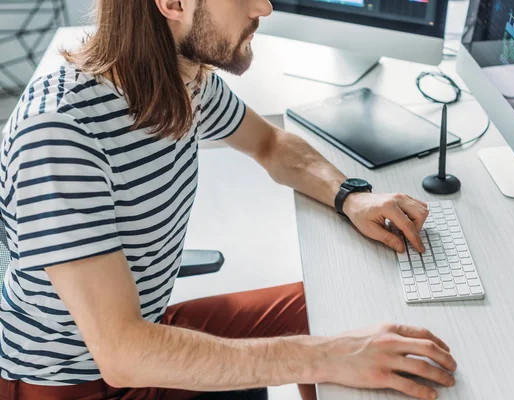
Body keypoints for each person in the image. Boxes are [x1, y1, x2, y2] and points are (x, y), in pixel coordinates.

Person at [0, 1, 457, 399]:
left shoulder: (179, 78)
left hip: (145, 334)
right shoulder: (59, 134)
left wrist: (350, 198)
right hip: (75, 382)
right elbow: (121, 354)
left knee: (324, 305)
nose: (264, 7)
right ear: (173, 4)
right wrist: (327, 357)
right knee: (328, 347)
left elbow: (271, 144)